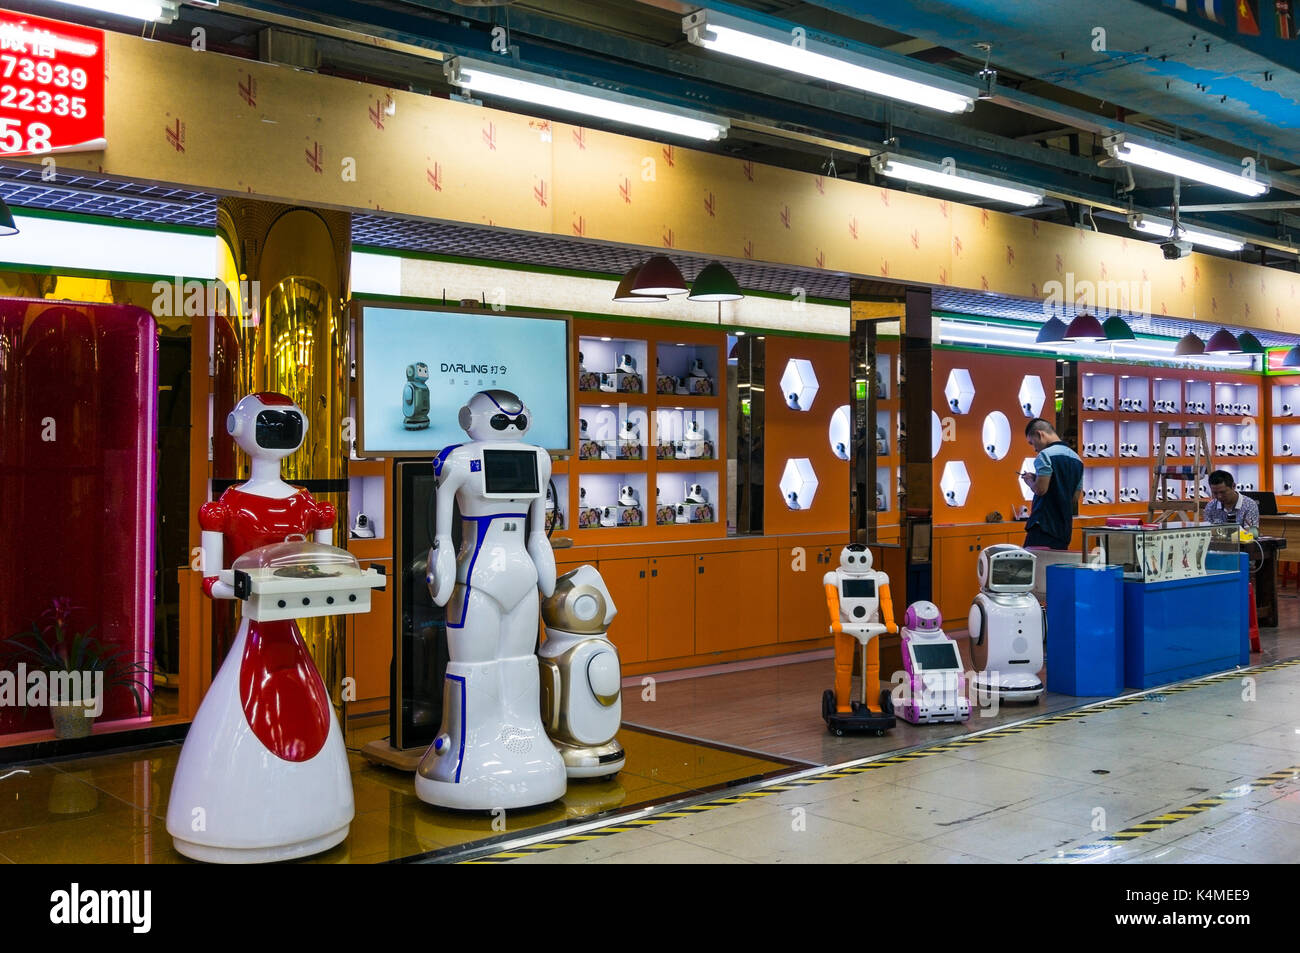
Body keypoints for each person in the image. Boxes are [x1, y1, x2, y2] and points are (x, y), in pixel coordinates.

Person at [1020, 418, 1083, 550]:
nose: (1035, 449)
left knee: (1032, 567)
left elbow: (1041, 489)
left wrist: (1030, 481)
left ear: (1040, 434)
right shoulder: (1077, 459)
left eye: (1032, 443)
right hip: (1064, 529)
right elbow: (1074, 498)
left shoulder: (1044, 455)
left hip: (1043, 526)